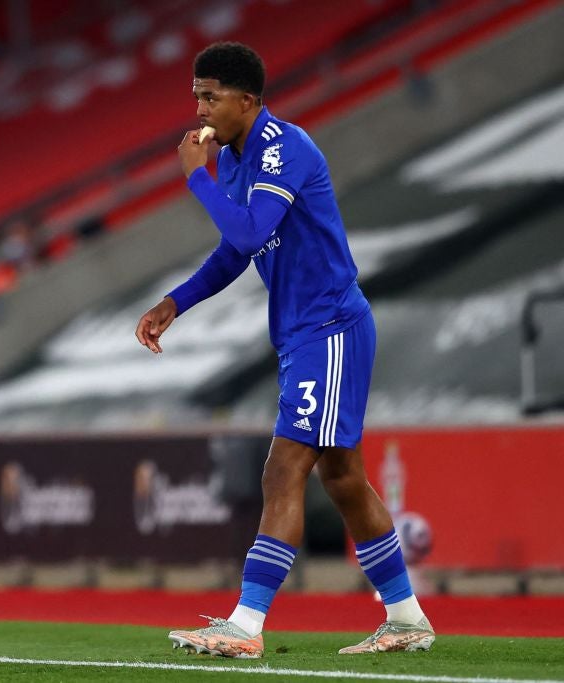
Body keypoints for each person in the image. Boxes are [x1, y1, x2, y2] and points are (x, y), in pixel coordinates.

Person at [135, 42, 434, 658]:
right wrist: (177, 302)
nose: (199, 107)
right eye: (196, 94)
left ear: (248, 100)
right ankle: (406, 618)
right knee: (344, 479)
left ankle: (245, 625)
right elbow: (236, 251)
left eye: (210, 96)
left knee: (282, 471)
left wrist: (197, 175)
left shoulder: (283, 148)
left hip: (331, 327)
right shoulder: (242, 158)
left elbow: (247, 230)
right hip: (305, 333)